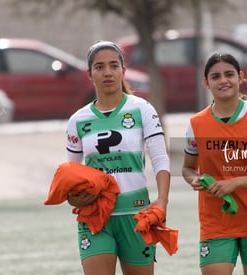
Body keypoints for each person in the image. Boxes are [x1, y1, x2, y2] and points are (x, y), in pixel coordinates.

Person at [65, 40, 171, 275]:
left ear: (123, 71)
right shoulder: (77, 121)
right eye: (99, 67)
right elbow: (71, 176)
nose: (107, 73)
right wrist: (74, 198)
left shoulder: (142, 109)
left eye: (113, 66)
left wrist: (162, 200)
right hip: (95, 217)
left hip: (136, 215)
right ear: (90, 74)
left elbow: (160, 158)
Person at [182, 52, 247, 275]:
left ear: (240, 77)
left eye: (229, 74)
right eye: (216, 76)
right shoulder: (195, 124)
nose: (223, 81)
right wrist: (195, 179)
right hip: (216, 218)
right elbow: (187, 167)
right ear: (206, 83)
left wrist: (235, 183)